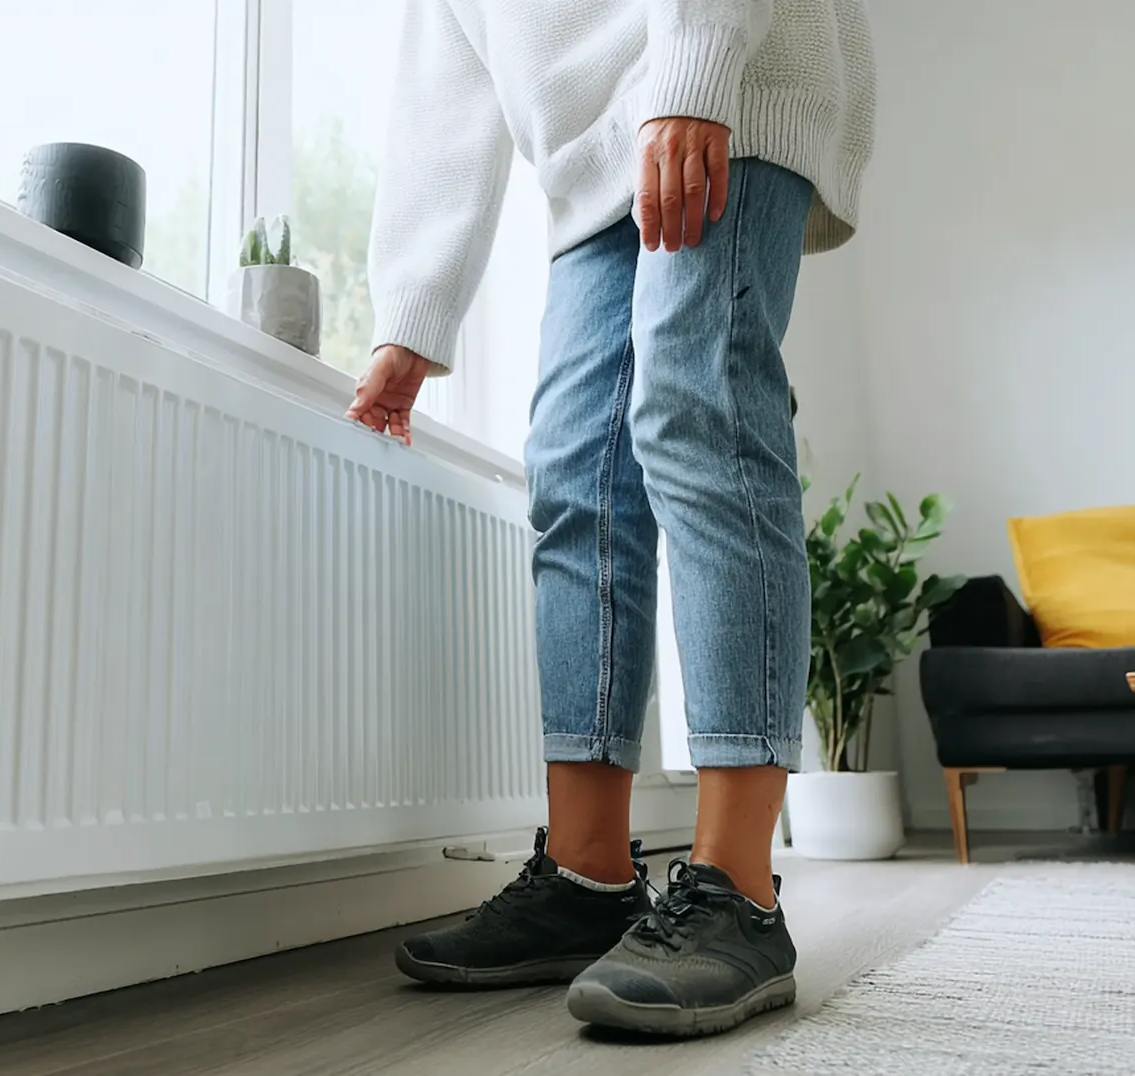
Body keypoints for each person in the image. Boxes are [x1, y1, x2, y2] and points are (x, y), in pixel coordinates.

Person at [345, 0, 875, 1039]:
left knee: (700, 408)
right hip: (586, 165)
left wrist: (695, 70)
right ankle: (587, 872)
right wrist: (412, 313)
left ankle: (738, 888)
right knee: (572, 477)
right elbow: (443, 94)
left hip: (733, 68)